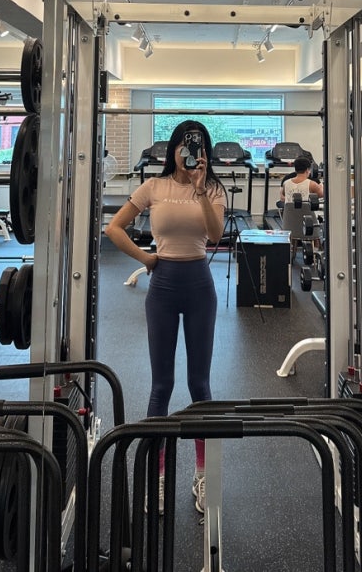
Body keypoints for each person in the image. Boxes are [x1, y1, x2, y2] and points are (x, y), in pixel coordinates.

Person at [105, 120, 225, 515]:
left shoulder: (212, 189)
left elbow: (215, 236)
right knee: (162, 385)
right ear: (173, 149)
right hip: (163, 287)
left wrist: (199, 188)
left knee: (199, 384)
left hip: (200, 287)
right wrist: (146, 258)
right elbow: (113, 228)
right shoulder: (153, 187)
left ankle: (204, 475)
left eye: (198, 147)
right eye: (185, 146)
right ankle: (156, 476)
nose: (190, 153)